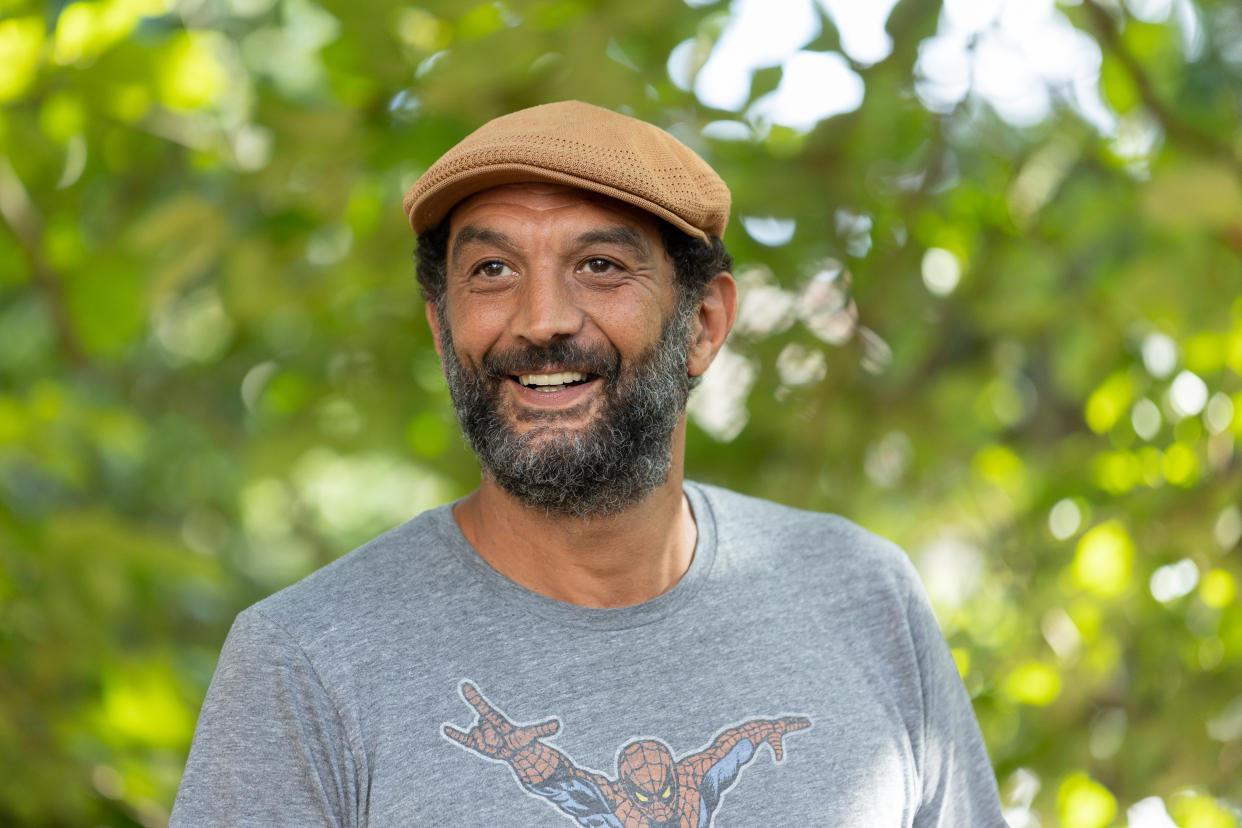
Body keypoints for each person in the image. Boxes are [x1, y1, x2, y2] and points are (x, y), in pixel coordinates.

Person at [172, 100, 1007, 826]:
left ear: (705, 325)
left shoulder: (863, 598)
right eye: (492, 271)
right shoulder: (310, 661)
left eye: (600, 266)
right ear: (440, 329)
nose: (541, 320)